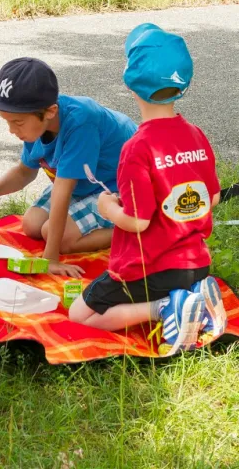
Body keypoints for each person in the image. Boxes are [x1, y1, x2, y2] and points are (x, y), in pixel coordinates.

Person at [69, 24, 226, 355]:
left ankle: (167, 308)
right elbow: (211, 198)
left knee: (79, 315)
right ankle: (195, 296)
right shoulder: (196, 134)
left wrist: (108, 209)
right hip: (196, 264)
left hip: (148, 269)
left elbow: (138, 222)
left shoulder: (137, 148)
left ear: (131, 83)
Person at [0, 57, 136, 276]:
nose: (11, 130)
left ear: (50, 111)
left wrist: (50, 258)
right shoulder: (37, 121)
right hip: (86, 183)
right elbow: (24, 172)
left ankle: (137, 228)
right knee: (32, 225)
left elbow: (63, 191)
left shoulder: (81, 122)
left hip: (123, 186)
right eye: (7, 121)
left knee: (60, 238)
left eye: (17, 122)